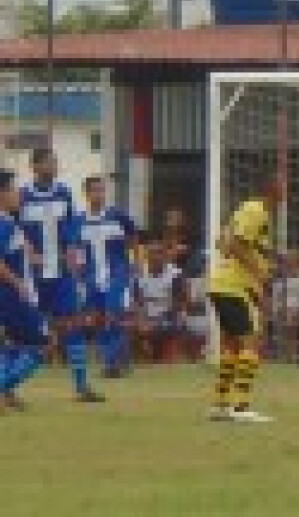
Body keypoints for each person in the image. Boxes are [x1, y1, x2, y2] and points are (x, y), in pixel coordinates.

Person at [19, 147, 103, 403]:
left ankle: (81, 386)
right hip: (34, 276)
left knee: (73, 324)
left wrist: (73, 254)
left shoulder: (64, 193)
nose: (55, 166)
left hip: (62, 275)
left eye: (56, 162)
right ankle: (9, 388)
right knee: (25, 332)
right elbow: (15, 231)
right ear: (35, 166)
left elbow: (70, 230)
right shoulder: (22, 197)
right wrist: (28, 251)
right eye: (49, 162)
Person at [207, 174, 283, 423]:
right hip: (232, 286)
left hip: (223, 284)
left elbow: (222, 243)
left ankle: (220, 404)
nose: (285, 193)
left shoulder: (244, 210)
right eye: (282, 186)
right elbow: (237, 246)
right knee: (250, 344)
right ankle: (241, 407)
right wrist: (259, 270)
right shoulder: (256, 210)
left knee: (232, 346)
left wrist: (260, 259)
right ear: (272, 191)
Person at [68, 175, 139, 378]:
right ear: (86, 193)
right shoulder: (79, 221)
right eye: (95, 190)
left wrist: (135, 263)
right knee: (98, 318)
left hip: (117, 272)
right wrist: (77, 273)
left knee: (113, 314)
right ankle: (120, 357)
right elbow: (74, 249)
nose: (99, 194)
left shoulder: (117, 215)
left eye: (102, 190)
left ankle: (111, 362)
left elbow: (134, 238)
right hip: (91, 276)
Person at [0, 170, 48, 413]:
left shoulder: (10, 222)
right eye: (14, 190)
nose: (19, 195)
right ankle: (3, 388)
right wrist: (18, 283)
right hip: (13, 296)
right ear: (3, 193)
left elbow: (28, 255)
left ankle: (6, 395)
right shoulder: (3, 224)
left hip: (15, 294)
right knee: (39, 348)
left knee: (12, 347)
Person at [134, 240, 183, 363]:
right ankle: (143, 355)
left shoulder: (175, 274)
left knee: (165, 327)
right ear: (147, 256)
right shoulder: (139, 273)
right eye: (152, 253)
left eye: (159, 253)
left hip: (168, 317)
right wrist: (141, 318)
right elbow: (137, 301)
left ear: (165, 255)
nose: (156, 257)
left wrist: (156, 321)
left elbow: (177, 304)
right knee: (126, 325)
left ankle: (160, 354)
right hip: (146, 316)